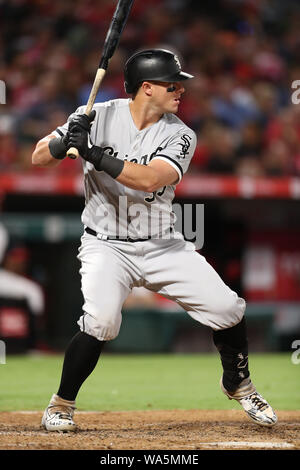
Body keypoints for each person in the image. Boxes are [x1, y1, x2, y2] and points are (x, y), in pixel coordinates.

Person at [32, 49, 277, 431]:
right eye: (172, 83)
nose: (181, 90)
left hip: (162, 244)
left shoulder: (181, 133)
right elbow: (37, 158)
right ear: (146, 88)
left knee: (228, 308)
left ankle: (238, 383)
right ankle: (61, 404)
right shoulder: (96, 114)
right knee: (101, 321)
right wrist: (63, 143)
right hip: (106, 244)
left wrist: (93, 152)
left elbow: (149, 179)